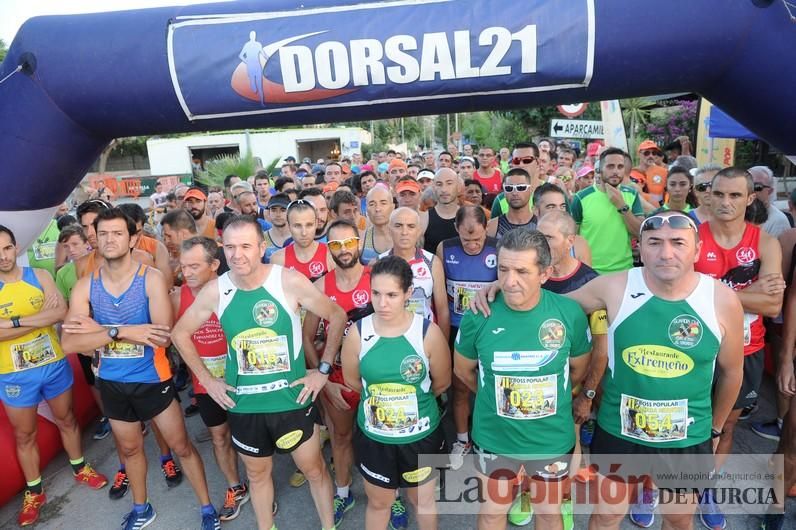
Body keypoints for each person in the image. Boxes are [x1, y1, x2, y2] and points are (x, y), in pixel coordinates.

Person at [471, 211, 745, 530]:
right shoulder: (615, 287)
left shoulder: (722, 300)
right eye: (654, 242)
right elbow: (543, 300)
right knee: (606, 516)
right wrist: (503, 285)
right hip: (619, 432)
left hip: (686, 435)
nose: (666, 252)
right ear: (639, 247)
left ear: (697, 250)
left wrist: (715, 428)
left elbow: (732, 372)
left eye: (678, 243)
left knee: (679, 518)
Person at [171, 215, 346, 530]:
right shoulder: (216, 290)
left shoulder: (287, 281)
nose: (237, 254)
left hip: (291, 402)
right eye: (230, 247)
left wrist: (321, 371)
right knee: (256, 474)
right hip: (246, 406)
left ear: (262, 248)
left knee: (315, 471)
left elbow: (336, 314)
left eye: (246, 246)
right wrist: (207, 381)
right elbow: (180, 333)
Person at [61, 208, 220, 530]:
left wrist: (98, 331)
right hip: (112, 383)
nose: (109, 239)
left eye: (117, 233)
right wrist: (122, 331)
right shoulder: (84, 287)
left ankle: (206, 507)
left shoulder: (151, 279)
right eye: (102, 233)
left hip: (153, 378)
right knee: (131, 449)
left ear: (133, 238)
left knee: (181, 447)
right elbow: (69, 344)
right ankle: (141, 507)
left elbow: (160, 337)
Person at [455, 229, 591, 530]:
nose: (509, 281)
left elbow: (578, 369)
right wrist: (492, 395)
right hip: (494, 438)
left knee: (548, 513)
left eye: (521, 271)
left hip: (551, 440)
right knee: (492, 513)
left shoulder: (569, 314)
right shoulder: (479, 313)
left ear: (545, 273)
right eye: (502, 269)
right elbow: (463, 371)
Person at [693, 166, 785, 528]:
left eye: (735, 195)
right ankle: (658, 485)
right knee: (678, 421)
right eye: (718, 194)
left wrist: (709, 293)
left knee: (725, 426)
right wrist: (750, 295)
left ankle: (705, 488)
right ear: (708, 195)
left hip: (745, 351)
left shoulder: (764, 242)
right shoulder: (691, 235)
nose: (725, 202)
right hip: (692, 349)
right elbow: (675, 295)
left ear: (750, 198)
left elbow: (773, 305)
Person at [0, 225, 108, 526]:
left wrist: (12, 322)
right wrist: (37, 319)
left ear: (15, 247)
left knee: (68, 419)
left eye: (7, 248)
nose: (3, 256)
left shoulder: (41, 276)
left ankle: (80, 467)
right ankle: (34, 491)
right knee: (25, 434)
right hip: (13, 375)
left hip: (53, 365)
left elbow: (60, 312)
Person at [342, 256, 451, 530]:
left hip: (420, 438)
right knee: (379, 504)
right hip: (376, 439)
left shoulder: (428, 333)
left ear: (408, 293)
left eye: (391, 294)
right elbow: (353, 381)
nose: (382, 303)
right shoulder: (358, 333)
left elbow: (441, 383)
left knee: (422, 501)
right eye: (376, 293)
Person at [172, 236, 255, 521]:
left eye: (195, 266)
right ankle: (236, 487)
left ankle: (260, 486)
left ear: (215, 264)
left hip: (242, 379)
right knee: (220, 437)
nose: (188, 272)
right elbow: (175, 338)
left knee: (248, 438)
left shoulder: (235, 290)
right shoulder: (177, 297)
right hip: (206, 384)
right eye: (184, 266)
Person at [302, 220, 374, 527]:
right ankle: (343, 493)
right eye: (335, 245)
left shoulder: (377, 277)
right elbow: (307, 337)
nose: (343, 250)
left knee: (381, 440)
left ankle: (392, 496)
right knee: (342, 437)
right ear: (327, 248)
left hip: (376, 375)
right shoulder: (320, 286)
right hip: (338, 378)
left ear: (359, 243)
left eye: (348, 243)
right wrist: (321, 379)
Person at [436, 206, 498, 470]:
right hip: (456, 327)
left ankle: (491, 439)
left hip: (488, 330)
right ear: (456, 231)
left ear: (487, 229)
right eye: (466, 239)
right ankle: (462, 440)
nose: (472, 245)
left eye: (478, 239)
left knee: (490, 386)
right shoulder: (445, 248)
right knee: (459, 385)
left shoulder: (498, 249)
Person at [570, 147, 644, 274]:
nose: (616, 171)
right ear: (600, 169)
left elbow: (640, 233)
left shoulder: (632, 195)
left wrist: (622, 206)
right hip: (589, 272)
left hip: (624, 271)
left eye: (620, 167)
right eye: (610, 166)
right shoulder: (581, 198)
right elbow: (571, 239)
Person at [382, 208, 449, 338]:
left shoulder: (432, 262)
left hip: (424, 338)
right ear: (389, 230)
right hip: (390, 337)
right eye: (398, 226)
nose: (404, 232)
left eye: (411, 226)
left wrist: (442, 347)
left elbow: (443, 311)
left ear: (419, 231)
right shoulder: (378, 262)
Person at [270, 199, 334, 280]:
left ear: (316, 223)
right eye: (297, 226)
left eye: (309, 225)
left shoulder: (330, 255)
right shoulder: (277, 259)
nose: (304, 233)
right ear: (289, 226)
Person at [533, 183, 592, 266]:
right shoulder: (526, 244)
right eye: (551, 207)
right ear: (535, 210)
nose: (558, 211)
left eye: (562, 206)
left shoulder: (578, 244)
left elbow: (586, 277)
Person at [486, 168, 537, 238]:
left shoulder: (541, 225)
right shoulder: (492, 227)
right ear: (504, 191)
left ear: (530, 190)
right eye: (509, 188)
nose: (515, 193)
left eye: (521, 187)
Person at [423, 169, 461, 254]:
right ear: (433, 187)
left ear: (458, 186)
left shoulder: (468, 216)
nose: (444, 189)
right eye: (439, 184)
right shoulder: (424, 218)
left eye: (449, 183)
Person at [749, 166, 791, 238]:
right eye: (748, 185)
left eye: (757, 187)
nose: (751, 190)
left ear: (770, 191)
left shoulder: (778, 221)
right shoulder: (738, 213)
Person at [361, 184, 394, 265]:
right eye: (372, 204)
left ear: (392, 207)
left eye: (383, 203)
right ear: (367, 210)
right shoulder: (362, 238)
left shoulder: (405, 234)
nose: (377, 209)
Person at [262, 194, 292, 262]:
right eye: (274, 210)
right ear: (269, 212)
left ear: (290, 212)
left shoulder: (297, 237)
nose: (278, 214)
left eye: (283, 210)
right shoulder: (262, 239)